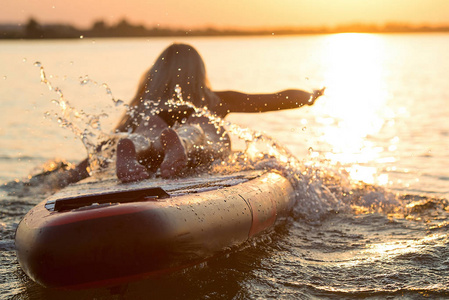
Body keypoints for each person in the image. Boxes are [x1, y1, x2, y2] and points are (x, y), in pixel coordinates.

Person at [61, 43, 325, 185]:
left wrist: (73, 175)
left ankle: (137, 148)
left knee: (144, 134)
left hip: (150, 148)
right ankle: (183, 143)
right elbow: (274, 100)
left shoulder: (144, 105)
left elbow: (107, 146)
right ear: (200, 73)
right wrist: (308, 97)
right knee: (200, 129)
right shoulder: (215, 102)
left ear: (157, 74)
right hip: (197, 151)